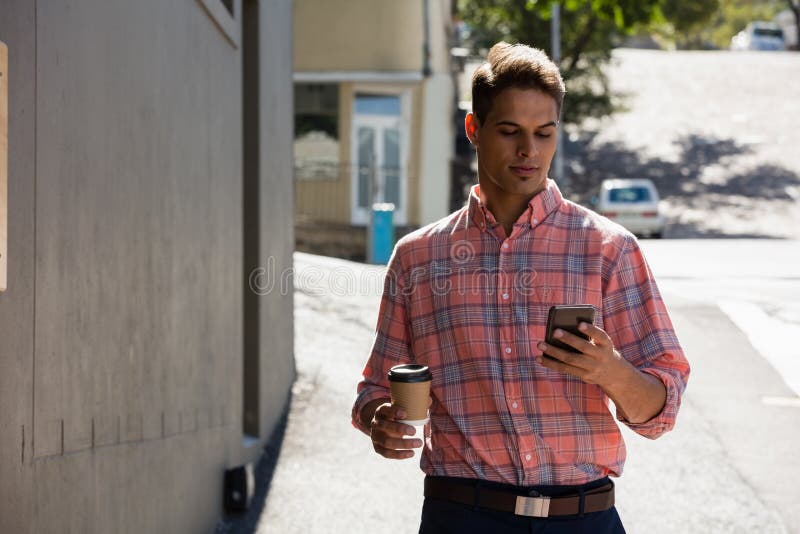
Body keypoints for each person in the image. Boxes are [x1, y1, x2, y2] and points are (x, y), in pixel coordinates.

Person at [351, 41, 690, 533]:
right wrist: (379, 421)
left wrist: (610, 371)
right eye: (510, 131)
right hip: (460, 516)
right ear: (474, 129)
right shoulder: (417, 258)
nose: (529, 150)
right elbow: (375, 390)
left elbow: (661, 412)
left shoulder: (609, 249)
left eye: (543, 133)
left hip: (584, 519)